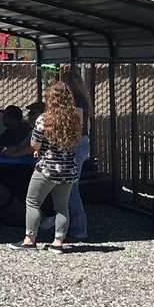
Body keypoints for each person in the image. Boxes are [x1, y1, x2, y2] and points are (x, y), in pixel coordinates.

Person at [8, 81, 82, 254]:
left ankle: (29, 240)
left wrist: (39, 150)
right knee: (62, 207)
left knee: (33, 202)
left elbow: (34, 144)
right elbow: (75, 142)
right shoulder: (75, 119)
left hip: (47, 168)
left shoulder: (44, 118)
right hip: (68, 168)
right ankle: (58, 242)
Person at [39, 70, 93, 240]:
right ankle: (69, 226)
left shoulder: (76, 100)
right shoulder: (84, 100)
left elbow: (77, 123)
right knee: (68, 187)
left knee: (71, 189)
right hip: (82, 143)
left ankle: (78, 229)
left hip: (75, 145)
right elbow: (88, 126)